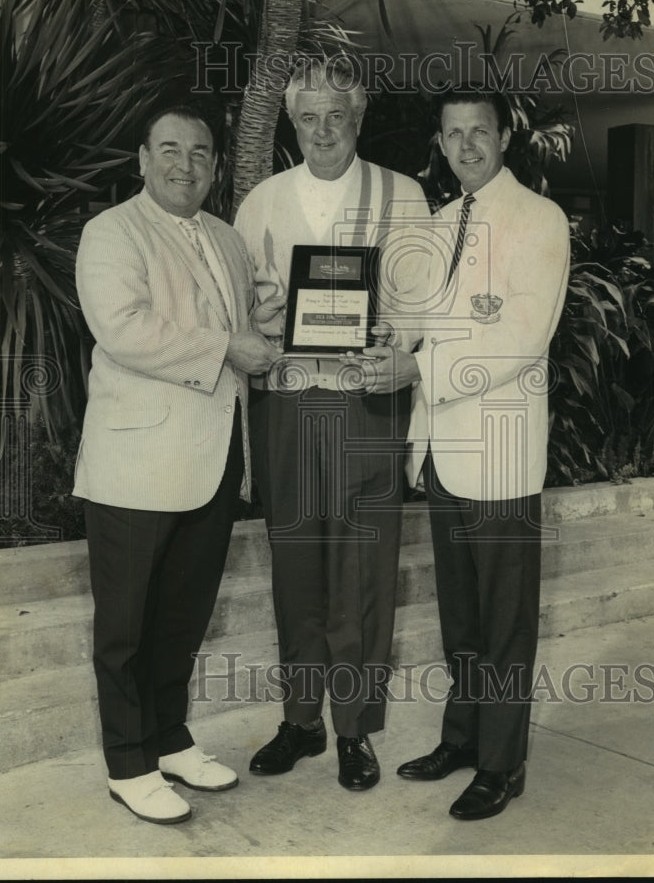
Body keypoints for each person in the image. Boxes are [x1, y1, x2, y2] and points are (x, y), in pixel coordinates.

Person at [352, 87, 570, 818]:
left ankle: (502, 764)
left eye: (480, 131)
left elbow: (521, 337)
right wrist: (378, 338)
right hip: (441, 452)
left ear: (504, 138)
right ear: (440, 146)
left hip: (501, 455)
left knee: (504, 621)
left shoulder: (538, 220)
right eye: (453, 135)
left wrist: (418, 369)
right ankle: (464, 736)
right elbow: (411, 323)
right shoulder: (438, 224)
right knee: (461, 620)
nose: (467, 145)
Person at [73, 101, 279, 825]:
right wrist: (228, 347)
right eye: (168, 149)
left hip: (215, 458)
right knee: (126, 625)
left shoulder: (225, 238)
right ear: (141, 158)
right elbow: (126, 329)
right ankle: (127, 764)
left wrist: (331, 317)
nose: (183, 165)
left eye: (198, 153)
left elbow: (258, 316)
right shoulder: (110, 233)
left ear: (216, 166)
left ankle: (168, 737)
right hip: (136, 463)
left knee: (183, 617)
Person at [234, 56, 432, 791]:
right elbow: (241, 306)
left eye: (337, 116)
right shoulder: (259, 202)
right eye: (309, 117)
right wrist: (261, 319)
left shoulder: (402, 196)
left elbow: (419, 301)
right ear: (293, 122)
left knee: (364, 568)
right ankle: (299, 721)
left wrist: (396, 343)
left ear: (359, 118)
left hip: (366, 403)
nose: (323, 130)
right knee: (294, 564)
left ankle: (354, 728)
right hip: (287, 403)